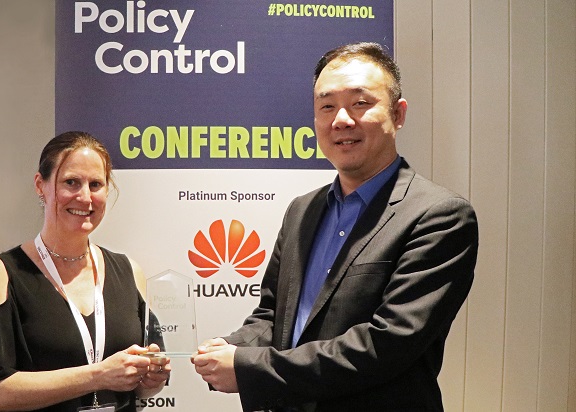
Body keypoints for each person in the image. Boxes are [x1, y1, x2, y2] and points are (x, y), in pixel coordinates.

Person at [191, 42, 479, 411]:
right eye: (327, 106)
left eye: (360, 103)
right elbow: (274, 315)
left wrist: (249, 368)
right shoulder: (302, 210)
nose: (341, 119)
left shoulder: (440, 216)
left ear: (398, 114)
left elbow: (387, 345)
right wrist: (232, 348)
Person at [0, 131, 170, 411]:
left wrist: (151, 379)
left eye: (96, 184)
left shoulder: (129, 272)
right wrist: (97, 375)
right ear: (40, 185)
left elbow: (143, 389)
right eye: (71, 182)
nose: (85, 197)